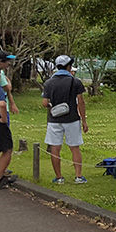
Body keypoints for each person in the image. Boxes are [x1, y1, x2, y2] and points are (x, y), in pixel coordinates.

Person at [41, 54, 88, 184]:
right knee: (75, 147)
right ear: (69, 66)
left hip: (54, 119)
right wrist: (84, 120)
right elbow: (81, 102)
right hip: (72, 119)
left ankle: (59, 177)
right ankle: (78, 176)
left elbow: (45, 103)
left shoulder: (49, 82)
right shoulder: (75, 81)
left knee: (55, 148)